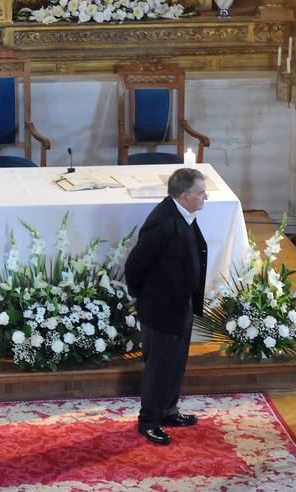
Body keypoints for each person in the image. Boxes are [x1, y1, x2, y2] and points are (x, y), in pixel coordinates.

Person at [124, 166, 208, 446]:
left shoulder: (185, 214)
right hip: (160, 308)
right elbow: (135, 266)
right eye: (200, 192)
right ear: (184, 196)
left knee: (176, 362)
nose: (205, 196)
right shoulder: (162, 222)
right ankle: (149, 420)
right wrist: (145, 299)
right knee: (158, 366)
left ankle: (169, 410)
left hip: (179, 304)